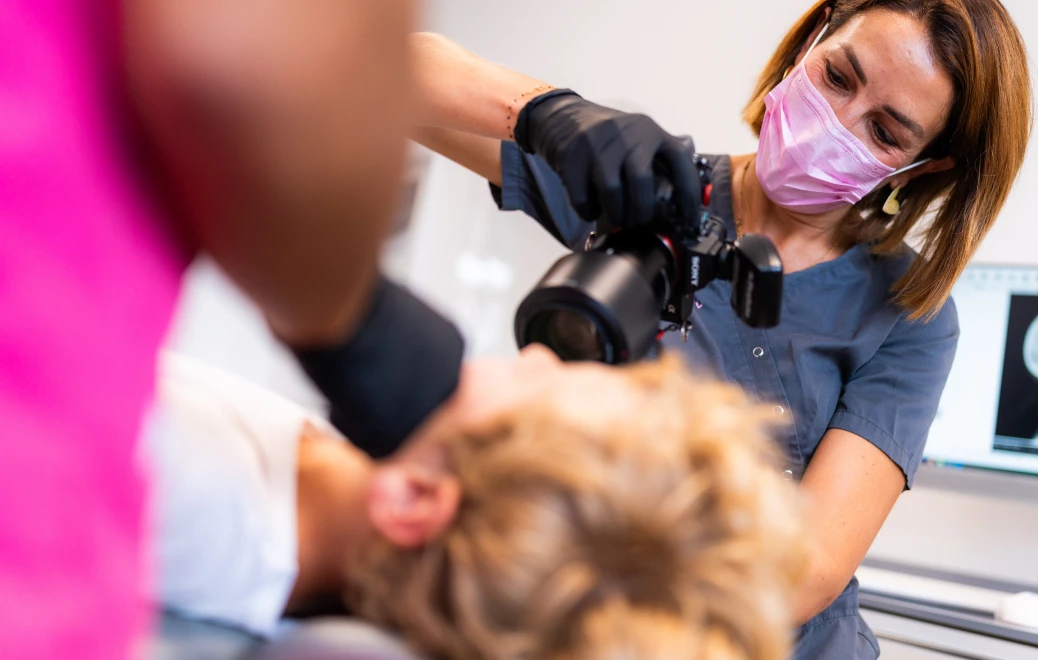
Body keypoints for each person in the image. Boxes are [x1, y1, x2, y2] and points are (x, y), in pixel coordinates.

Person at [0, 1, 695, 657]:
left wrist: (344, 310)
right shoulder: (293, 487)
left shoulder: (202, 511)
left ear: (414, 497)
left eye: (549, 390)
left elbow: (248, 45)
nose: (542, 359)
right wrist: (542, 113)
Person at [409, 0, 1033, 656]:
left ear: (922, 168)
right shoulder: (647, 194)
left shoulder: (907, 314)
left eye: (884, 132)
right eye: (838, 77)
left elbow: (806, 570)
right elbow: (394, 76)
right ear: (809, 44)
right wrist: (547, 113)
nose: (838, 123)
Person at [146, 348, 808, 659]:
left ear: (416, 498)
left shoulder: (185, 493)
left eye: (539, 379)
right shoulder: (317, 478)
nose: (540, 354)